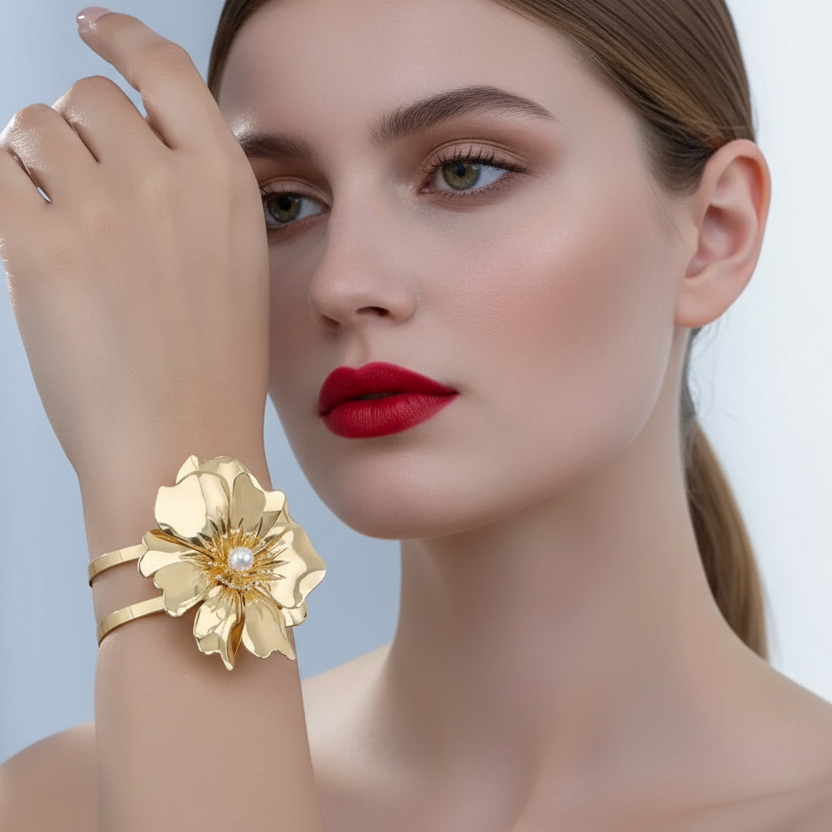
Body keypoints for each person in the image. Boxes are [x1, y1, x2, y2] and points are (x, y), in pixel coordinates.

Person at [0, 0, 831, 829]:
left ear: (717, 231)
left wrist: (171, 484)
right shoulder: (52, 807)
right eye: (282, 204)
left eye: (465, 170)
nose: (343, 282)